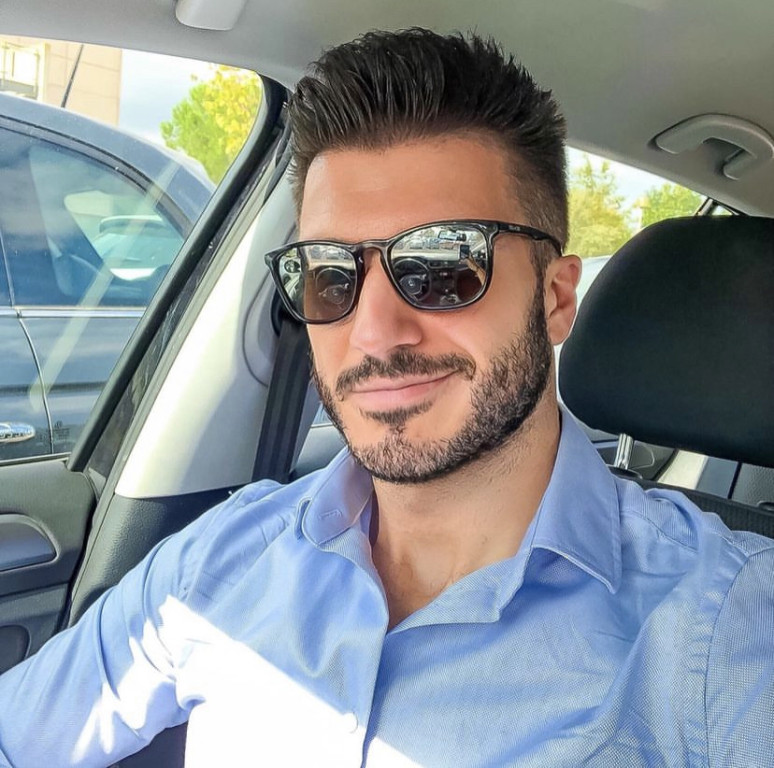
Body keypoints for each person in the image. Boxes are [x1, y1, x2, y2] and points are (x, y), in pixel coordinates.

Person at [1, 27, 773, 768]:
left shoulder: (723, 628)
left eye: (441, 266)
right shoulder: (223, 556)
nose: (372, 333)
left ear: (554, 298)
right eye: (330, 275)